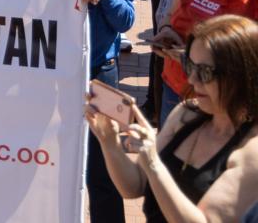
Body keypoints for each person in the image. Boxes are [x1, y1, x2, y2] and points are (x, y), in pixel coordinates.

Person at [17, 0, 135, 223]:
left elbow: (126, 20)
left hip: (99, 71)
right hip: (49, 70)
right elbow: (25, 5)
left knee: (104, 167)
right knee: (46, 159)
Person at [88, 15, 258, 221]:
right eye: (189, 65)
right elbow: (135, 186)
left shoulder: (251, 151)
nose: (192, 79)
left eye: (204, 72)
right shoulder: (187, 114)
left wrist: (153, 162)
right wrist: (109, 141)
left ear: (239, 75)